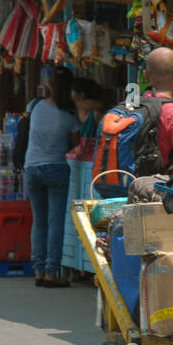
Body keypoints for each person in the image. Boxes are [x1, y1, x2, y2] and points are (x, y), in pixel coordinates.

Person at [25, 67, 76, 288]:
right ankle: (51, 273)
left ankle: (38, 271)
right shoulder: (70, 114)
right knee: (55, 223)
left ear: (50, 85)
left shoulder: (34, 106)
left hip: (32, 168)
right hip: (56, 167)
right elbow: (75, 143)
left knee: (39, 221)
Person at [63, 77, 107, 284]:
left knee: (90, 215)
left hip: (92, 165)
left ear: (80, 94)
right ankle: (78, 265)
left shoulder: (96, 109)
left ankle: (88, 265)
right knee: (78, 216)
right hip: (79, 165)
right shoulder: (76, 111)